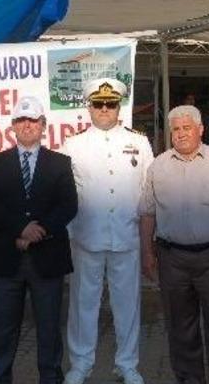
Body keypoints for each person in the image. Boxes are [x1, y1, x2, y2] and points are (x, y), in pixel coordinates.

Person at [138, 105, 209, 384]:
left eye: (187, 128)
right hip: (172, 258)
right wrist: (146, 252)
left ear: (200, 130)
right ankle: (189, 379)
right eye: (176, 129)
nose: (181, 134)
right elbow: (147, 213)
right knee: (180, 328)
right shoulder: (158, 165)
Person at [61, 78, 153, 384]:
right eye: (98, 104)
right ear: (88, 106)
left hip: (126, 236)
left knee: (127, 303)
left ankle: (127, 363)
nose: (104, 109)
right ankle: (80, 363)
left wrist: (147, 236)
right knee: (82, 304)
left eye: (110, 104)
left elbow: (148, 191)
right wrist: (70, 233)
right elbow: (66, 194)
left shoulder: (139, 142)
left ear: (119, 107)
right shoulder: (72, 145)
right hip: (86, 237)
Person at [0, 96, 78, 384]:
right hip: (7, 259)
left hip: (47, 259)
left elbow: (68, 205)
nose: (27, 125)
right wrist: (21, 229)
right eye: (21, 120)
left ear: (43, 126)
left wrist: (39, 231)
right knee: (3, 329)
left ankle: (50, 378)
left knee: (49, 329)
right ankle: (0, 377)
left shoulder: (60, 163)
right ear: (13, 126)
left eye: (33, 120)